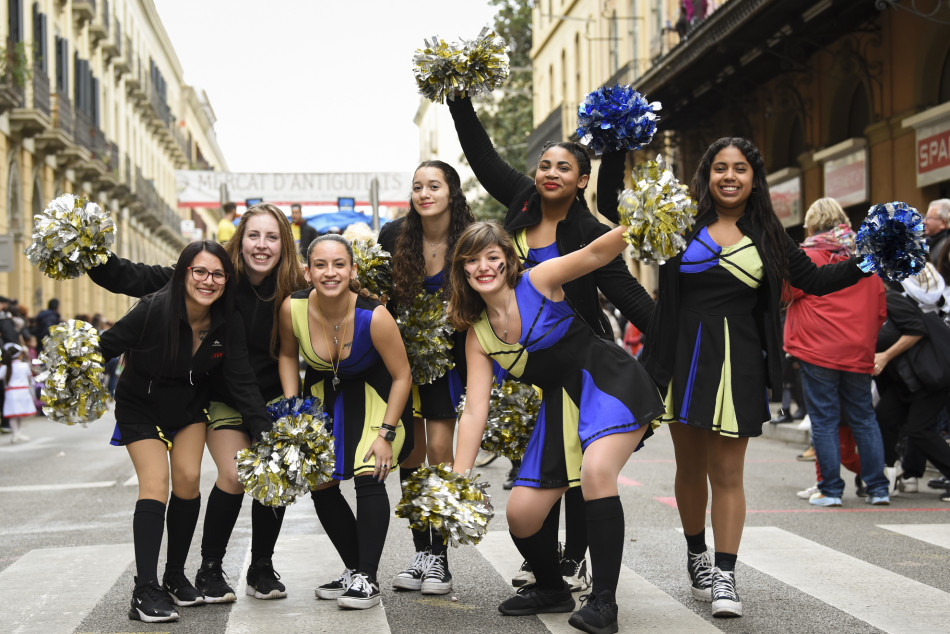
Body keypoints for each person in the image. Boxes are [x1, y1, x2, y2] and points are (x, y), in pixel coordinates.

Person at [637, 137, 869, 618]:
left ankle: (726, 575)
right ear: (706, 175)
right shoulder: (680, 224)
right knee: (690, 467)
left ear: (754, 178)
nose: (729, 176)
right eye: (719, 167)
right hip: (685, 358)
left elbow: (818, 282)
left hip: (739, 360)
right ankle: (696, 552)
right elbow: (624, 233)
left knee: (727, 472)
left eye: (739, 168)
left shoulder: (769, 233)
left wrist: (874, 258)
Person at [448, 94, 655, 594]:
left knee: (589, 474)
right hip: (529, 367)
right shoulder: (519, 203)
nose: (551, 172)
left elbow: (621, 283)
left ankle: (582, 568)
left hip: (583, 356)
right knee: (540, 489)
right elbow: (483, 158)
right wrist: (457, 95)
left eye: (564, 166)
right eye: (544, 164)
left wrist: (683, 334)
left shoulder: (573, 242)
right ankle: (551, 574)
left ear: (581, 178)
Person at [449, 221, 663, 634]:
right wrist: (459, 475)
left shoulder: (538, 281)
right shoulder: (476, 335)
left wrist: (642, 219)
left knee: (597, 473)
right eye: (471, 261)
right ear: (462, 271)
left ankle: (604, 603)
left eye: (492, 257)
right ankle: (551, 588)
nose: (483, 267)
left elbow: (595, 255)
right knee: (522, 515)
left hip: (605, 382)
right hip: (559, 406)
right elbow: (475, 409)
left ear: (508, 261)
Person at [89, 202, 309, 603]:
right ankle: (209, 567)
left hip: (275, 397)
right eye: (253, 236)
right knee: (236, 473)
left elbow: (339, 300)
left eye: (272, 237)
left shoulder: (297, 287)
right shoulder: (216, 274)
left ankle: (261, 565)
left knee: (273, 476)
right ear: (239, 241)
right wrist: (90, 256)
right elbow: (140, 277)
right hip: (223, 396)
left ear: (285, 245)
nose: (262, 245)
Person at [98, 240, 271, 623]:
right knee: (156, 485)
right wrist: (74, 368)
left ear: (227, 280)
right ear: (184, 273)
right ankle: (144, 590)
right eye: (200, 272)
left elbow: (242, 380)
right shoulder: (154, 308)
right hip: (140, 405)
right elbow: (106, 346)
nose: (208, 281)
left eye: (218, 274)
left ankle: (174, 575)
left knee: (189, 480)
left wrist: (266, 433)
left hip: (189, 406)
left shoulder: (228, 320)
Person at [278, 234, 412, 609]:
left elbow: (402, 376)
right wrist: (293, 412)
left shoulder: (375, 315)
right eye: (320, 265)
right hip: (323, 399)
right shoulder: (292, 309)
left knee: (371, 471)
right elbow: (288, 356)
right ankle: (355, 570)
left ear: (352, 270)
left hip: (378, 400)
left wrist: (385, 434)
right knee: (321, 482)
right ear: (308, 272)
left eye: (339, 264)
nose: (330, 272)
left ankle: (367, 579)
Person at [377, 160, 474, 596]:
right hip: (403, 358)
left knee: (439, 450)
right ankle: (424, 553)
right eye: (417, 186)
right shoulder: (394, 236)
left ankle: (441, 558)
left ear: (452, 191)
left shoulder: (469, 238)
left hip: (452, 357)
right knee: (411, 453)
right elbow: (380, 296)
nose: (424, 193)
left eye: (433, 185)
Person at [782, 197, 889, 507]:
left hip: (817, 348)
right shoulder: (865, 258)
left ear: (812, 224)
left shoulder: (807, 256)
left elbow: (786, 294)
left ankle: (830, 490)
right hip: (857, 349)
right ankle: (878, 488)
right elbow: (881, 308)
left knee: (824, 419)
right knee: (864, 417)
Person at [874, 286, 950, 504]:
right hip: (903, 382)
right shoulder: (867, 306)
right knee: (882, 419)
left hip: (928, 376)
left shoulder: (889, 299)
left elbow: (916, 330)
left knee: (919, 430)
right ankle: (889, 475)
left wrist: (886, 356)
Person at [1, 344, 36, 442]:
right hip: (23, 392)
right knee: (18, 414)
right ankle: (17, 433)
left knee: (14, 414)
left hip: (11, 393)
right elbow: (31, 378)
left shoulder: (6, 367)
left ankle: (17, 433)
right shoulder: (24, 366)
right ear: (19, 355)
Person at [924, 199, 950, 266]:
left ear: (943, 223)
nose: (924, 222)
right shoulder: (929, 242)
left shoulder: (946, 247)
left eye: (929, 218)